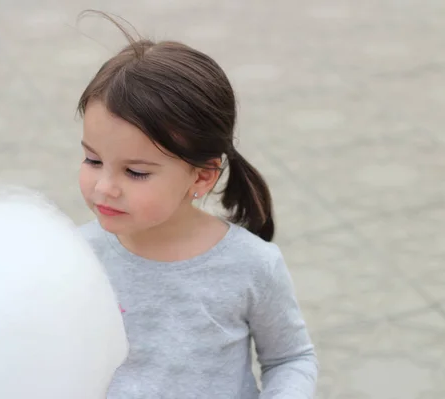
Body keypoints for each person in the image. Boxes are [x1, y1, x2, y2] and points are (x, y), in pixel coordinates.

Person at [77, 11, 318, 399]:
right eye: (92, 160)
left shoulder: (251, 265)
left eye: (135, 172)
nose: (104, 187)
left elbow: (291, 359)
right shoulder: (72, 257)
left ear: (202, 176)